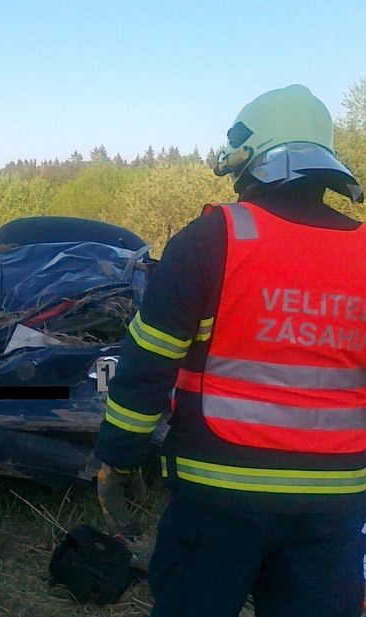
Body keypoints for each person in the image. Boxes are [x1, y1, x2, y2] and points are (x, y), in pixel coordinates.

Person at [94, 84, 366, 617]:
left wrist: (119, 457)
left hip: (216, 499)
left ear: (252, 157)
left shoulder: (212, 237)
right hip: (333, 511)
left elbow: (148, 363)